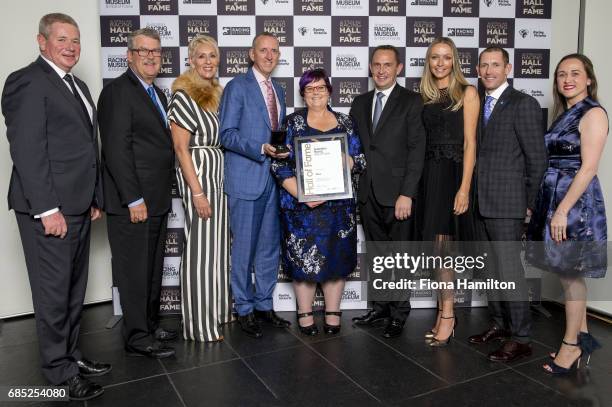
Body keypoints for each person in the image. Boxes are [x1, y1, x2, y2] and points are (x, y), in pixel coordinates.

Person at [1, 13, 108, 400]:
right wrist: (47, 210)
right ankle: (58, 371)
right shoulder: (27, 81)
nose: (70, 47)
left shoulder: (76, 84)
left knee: (72, 291)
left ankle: (71, 355)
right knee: (52, 293)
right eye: (62, 39)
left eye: (76, 40)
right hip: (49, 210)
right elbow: (28, 152)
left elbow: (83, 148)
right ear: (41, 41)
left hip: (78, 205)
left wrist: (95, 196)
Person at [97, 28, 176, 358]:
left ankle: (147, 322)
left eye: (156, 51)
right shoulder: (118, 92)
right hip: (133, 202)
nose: (150, 56)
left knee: (152, 269)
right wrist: (133, 198)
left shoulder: (155, 93)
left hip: (155, 199)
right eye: (143, 50)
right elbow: (116, 150)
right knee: (133, 272)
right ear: (129, 55)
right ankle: (136, 337)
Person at [526, 54, 608, 374]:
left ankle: (571, 346)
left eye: (575, 73)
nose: (567, 79)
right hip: (554, 195)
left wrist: (562, 211)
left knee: (571, 274)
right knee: (564, 270)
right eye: (561, 74)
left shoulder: (593, 113)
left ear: (589, 78)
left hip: (575, 202)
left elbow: (588, 169)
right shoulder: (567, 113)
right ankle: (583, 336)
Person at [271, 69, 365, 336]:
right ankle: (305, 313)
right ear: (303, 93)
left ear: (330, 91)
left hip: (338, 208)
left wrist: (349, 160)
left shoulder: (346, 123)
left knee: (336, 259)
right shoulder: (289, 123)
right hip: (301, 208)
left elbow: (361, 161)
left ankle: (333, 312)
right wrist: (302, 194)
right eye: (309, 89)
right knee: (303, 262)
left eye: (320, 88)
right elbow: (277, 164)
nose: (315, 93)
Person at [468, 47, 547, 362]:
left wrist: (528, 204)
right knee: (490, 270)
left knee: (510, 272)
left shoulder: (522, 104)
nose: (489, 70)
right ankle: (499, 324)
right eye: (484, 65)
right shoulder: (477, 103)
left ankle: (522, 337)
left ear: (508, 68)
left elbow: (537, 160)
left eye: (495, 65)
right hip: (480, 202)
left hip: (508, 203)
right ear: (478, 69)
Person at [350, 45, 426, 338]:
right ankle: (380, 307)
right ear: (370, 68)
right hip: (368, 192)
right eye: (376, 65)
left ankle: (399, 312)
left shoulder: (411, 101)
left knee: (400, 256)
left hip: (398, 195)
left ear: (399, 68)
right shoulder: (360, 102)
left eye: (387, 65)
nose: (381, 70)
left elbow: (417, 150)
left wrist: (407, 193)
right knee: (378, 254)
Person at [219, 32, 290, 338]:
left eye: (274, 51)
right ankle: (244, 309)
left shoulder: (279, 90)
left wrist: (283, 150)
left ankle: (264, 304)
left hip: (274, 181)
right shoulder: (237, 87)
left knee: (268, 249)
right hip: (246, 180)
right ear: (252, 54)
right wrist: (261, 148)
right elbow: (227, 134)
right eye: (263, 50)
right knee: (244, 249)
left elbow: (278, 133)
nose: (269, 55)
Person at [167, 35, 232, 342]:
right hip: (199, 175)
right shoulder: (183, 94)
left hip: (217, 174)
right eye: (202, 56)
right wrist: (196, 192)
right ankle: (199, 326)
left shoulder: (215, 93)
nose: (208, 62)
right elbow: (180, 149)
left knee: (217, 249)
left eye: (213, 57)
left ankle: (218, 313)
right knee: (200, 254)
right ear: (191, 60)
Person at [418, 37, 479, 346]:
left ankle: (448, 316)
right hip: (429, 176)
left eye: (445, 57)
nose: (440, 63)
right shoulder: (425, 96)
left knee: (445, 251)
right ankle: (443, 310)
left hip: (453, 175)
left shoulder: (467, 93)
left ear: (454, 61)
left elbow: (470, 143)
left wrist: (464, 187)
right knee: (435, 250)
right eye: (434, 58)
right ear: (428, 62)